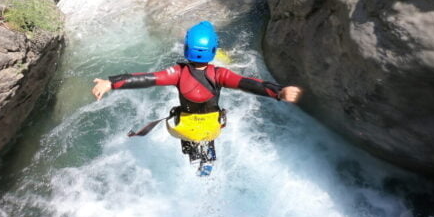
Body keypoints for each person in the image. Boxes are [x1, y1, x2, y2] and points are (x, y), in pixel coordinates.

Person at [92, 21, 302, 176]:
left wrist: (111, 83)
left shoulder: (177, 72)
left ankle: (195, 161)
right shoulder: (220, 74)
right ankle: (207, 164)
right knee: (207, 142)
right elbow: (249, 83)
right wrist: (278, 92)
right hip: (210, 127)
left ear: (186, 49)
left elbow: (146, 79)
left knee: (191, 143)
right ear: (213, 51)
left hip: (184, 127)